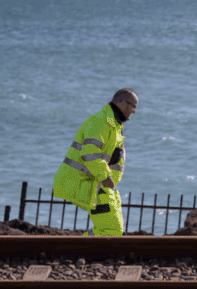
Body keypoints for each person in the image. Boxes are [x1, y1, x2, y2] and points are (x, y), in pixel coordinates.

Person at [53, 89, 138, 235]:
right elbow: (90, 154)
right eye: (133, 106)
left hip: (98, 186)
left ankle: (86, 251)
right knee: (112, 229)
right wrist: (106, 177)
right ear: (123, 103)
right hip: (89, 185)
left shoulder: (112, 124)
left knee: (113, 229)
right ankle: (81, 251)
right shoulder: (101, 121)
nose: (134, 111)